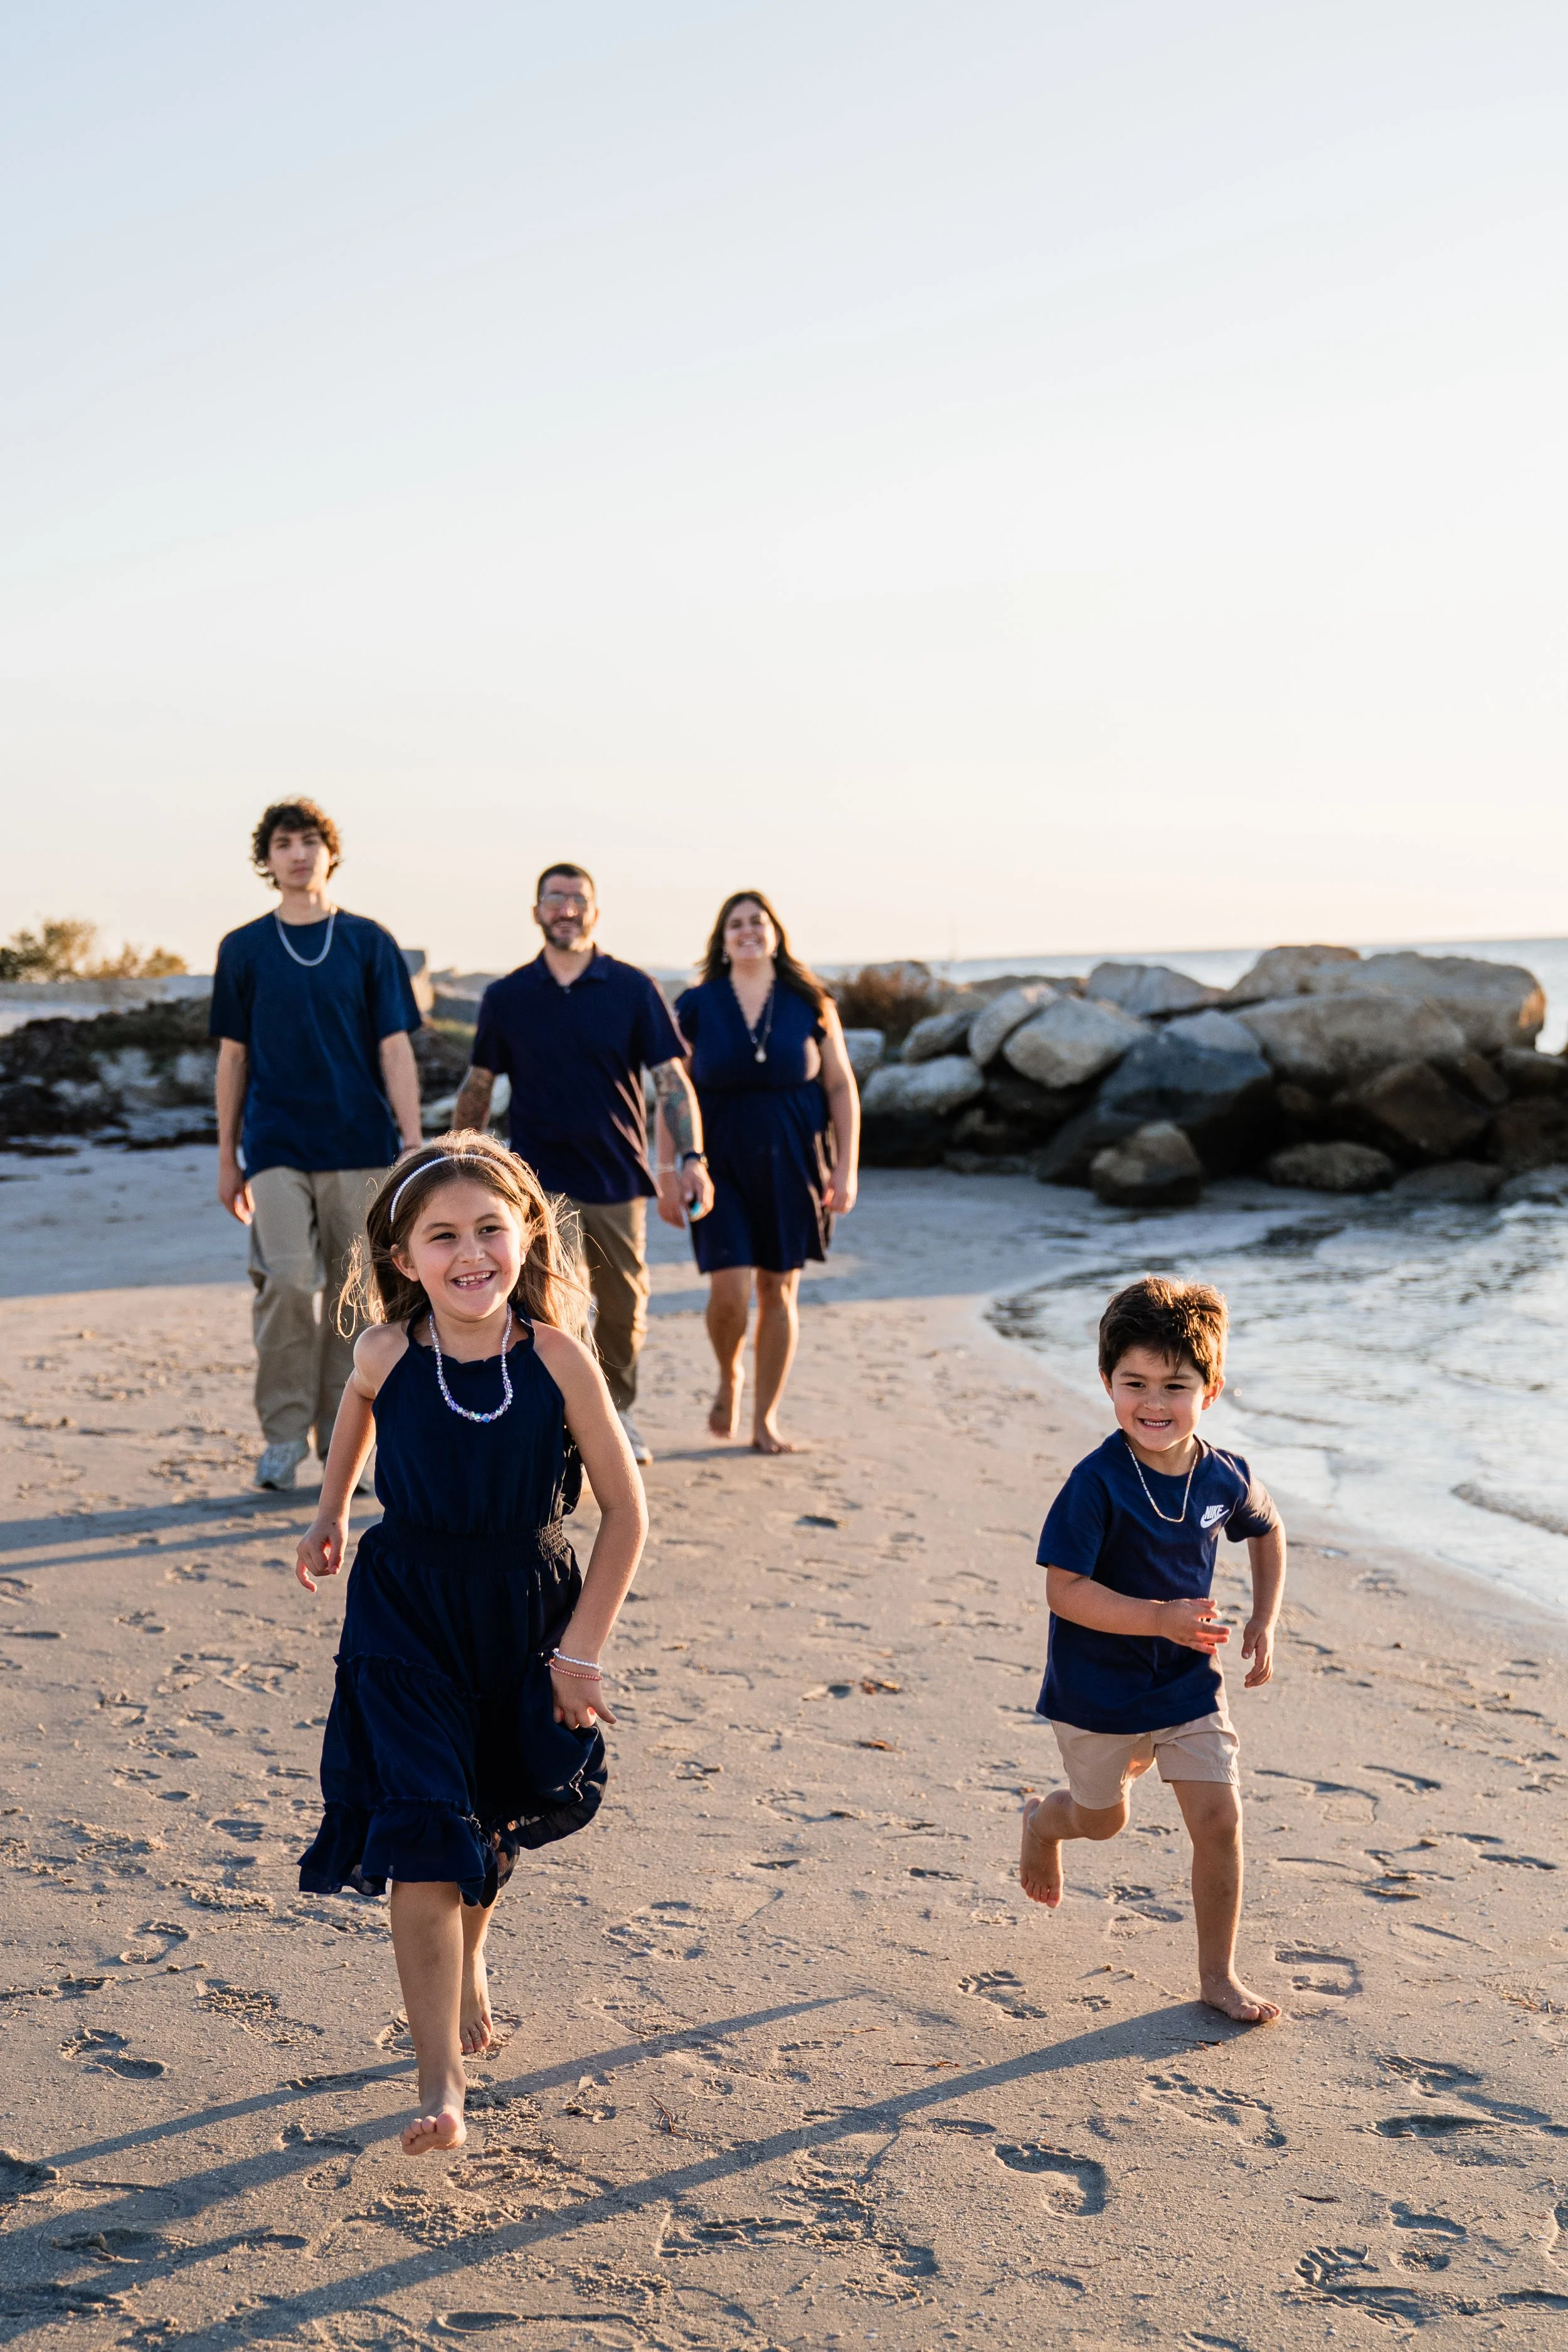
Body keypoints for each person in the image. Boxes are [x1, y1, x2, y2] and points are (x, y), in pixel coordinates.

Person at [294, 1132, 645, 2156]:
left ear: (526, 1233)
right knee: (420, 1832)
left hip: (527, 1616)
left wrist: (580, 1652)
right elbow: (357, 1408)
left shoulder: (557, 1359)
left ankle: (471, 1961)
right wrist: (332, 1511)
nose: (470, 1253)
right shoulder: (386, 1352)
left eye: (489, 1228)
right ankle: (440, 2085)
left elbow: (627, 1514)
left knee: (487, 1815)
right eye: (441, 1237)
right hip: (404, 1613)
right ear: (403, 1259)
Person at [1018, 1276, 1286, 2025]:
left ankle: (1217, 1976)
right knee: (1104, 1821)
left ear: (1212, 1388)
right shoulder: (1095, 1483)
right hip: (1096, 1688)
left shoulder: (1221, 1472)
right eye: (1134, 1383)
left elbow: (1267, 1530)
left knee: (1219, 1822)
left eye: (1176, 1385)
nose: (1154, 1403)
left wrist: (1265, 1619)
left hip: (1186, 1683)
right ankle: (1044, 1821)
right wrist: (1157, 1616)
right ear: (1107, 1382)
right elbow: (1063, 1590)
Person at [454, 864, 712, 1466]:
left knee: (623, 1309)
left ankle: (617, 1413)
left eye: (578, 898)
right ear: (536, 911)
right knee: (545, 1309)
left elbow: (672, 1081)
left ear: (595, 911)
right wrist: (461, 1160)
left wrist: (693, 1158)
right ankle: (550, 1424)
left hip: (616, 1176)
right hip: (533, 1187)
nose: (566, 908)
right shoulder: (508, 996)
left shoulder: (631, 988)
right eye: (555, 898)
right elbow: (480, 1083)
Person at [211, 800, 423, 1493]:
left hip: (361, 1142)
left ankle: (343, 1441)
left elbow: (395, 1049)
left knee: (355, 1299)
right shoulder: (243, 949)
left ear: (329, 852)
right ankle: (281, 1434)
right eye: (283, 844)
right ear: (266, 860)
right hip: (274, 1143)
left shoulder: (369, 943)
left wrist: (415, 1144)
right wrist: (226, 1157)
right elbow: (233, 1058)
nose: (298, 854)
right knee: (289, 1284)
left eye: (309, 842)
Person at [670, 891, 860, 1454]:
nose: (747, 931)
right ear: (722, 938)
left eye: (757, 922)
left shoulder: (812, 1002)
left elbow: (841, 1087)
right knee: (728, 1293)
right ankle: (729, 1374)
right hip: (717, 1167)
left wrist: (846, 1169)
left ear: (775, 932)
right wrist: (675, 1166)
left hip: (795, 1163)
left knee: (778, 1290)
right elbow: (671, 1091)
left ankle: (765, 1419)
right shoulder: (696, 1005)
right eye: (736, 924)